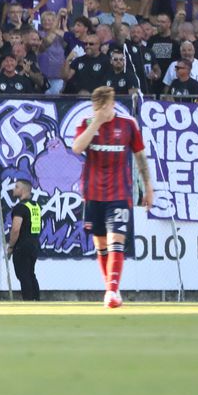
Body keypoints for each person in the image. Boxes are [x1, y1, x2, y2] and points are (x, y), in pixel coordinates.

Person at [69, 86, 154, 308]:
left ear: (111, 104)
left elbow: (140, 157)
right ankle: (110, 288)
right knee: (101, 245)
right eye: (97, 107)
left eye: (106, 105)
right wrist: (96, 122)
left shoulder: (128, 125)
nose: (102, 110)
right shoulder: (87, 123)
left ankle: (112, 291)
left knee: (117, 241)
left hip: (119, 193)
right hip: (92, 193)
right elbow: (77, 148)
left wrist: (148, 187)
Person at [5, 179, 42, 301]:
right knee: (31, 273)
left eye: (16, 187)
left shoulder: (20, 208)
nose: (13, 189)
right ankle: (36, 299)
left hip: (22, 247)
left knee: (23, 275)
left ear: (23, 190)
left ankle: (28, 301)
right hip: (34, 245)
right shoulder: (35, 206)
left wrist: (11, 246)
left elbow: (15, 229)